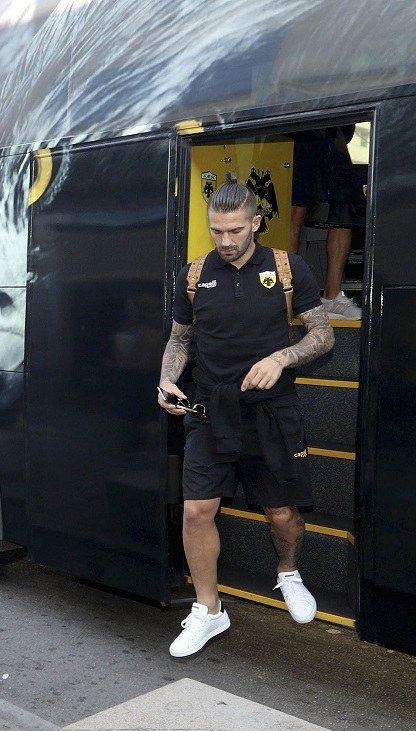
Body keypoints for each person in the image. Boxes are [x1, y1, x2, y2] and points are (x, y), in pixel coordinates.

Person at [158, 175, 334, 657]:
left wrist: (282, 358)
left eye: (235, 230)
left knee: (282, 513)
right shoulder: (193, 275)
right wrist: (167, 379)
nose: (226, 241)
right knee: (196, 510)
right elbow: (179, 338)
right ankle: (209, 610)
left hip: (272, 410)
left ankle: (288, 572)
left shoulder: (287, 268)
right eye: (217, 231)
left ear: (256, 222)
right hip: (210, 409)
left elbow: (323, 335)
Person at [289, 127, 362, 321]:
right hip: (296, 129)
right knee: (294, 212)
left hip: (332, 129)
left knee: (344, 210)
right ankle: (285, 293)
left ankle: (332, 297)